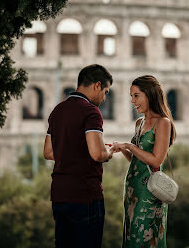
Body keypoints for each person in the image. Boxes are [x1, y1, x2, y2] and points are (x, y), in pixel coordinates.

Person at [43, 64, 115, 248]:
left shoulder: (57, 111)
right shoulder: (91, 111)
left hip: (59, 195)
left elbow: (49, 152)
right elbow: (97, 154)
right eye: (105, 92)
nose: (104, 98)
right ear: (97, 85)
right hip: (85, 195)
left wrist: (75, 150)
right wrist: (110, 153)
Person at [111, 75, 176, 248]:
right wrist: (123, 149)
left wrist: (129, 146)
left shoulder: (163, 123)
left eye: (136, 96)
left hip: (149, 192)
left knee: (145, 238)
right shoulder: (139, 123)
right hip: (133, 188)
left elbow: (156, 160)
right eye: (131, 96)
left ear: (149, 95)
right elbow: (137, 160)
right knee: (132, 236)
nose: (132, 101)